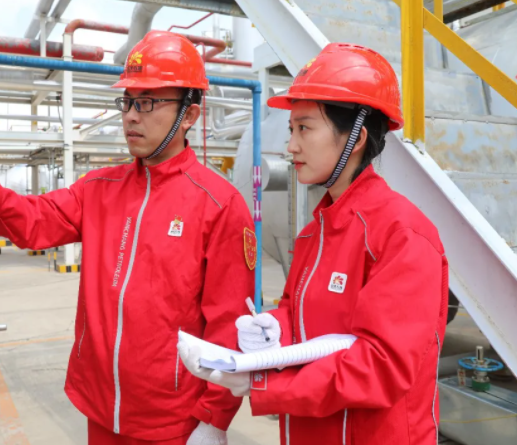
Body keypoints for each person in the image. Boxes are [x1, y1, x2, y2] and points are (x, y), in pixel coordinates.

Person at [0, 31, 255, 445]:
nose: (130, 116)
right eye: (127, 102)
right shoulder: (99, 188)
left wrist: (214, 418)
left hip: (171, 418)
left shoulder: (219, 205)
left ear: (189, 115)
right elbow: (36, 220)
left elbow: (229, 325)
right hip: (99, 404)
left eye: (147, 103)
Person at [179, 43, 449, 445]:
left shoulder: (401, 234)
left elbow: (381, 367)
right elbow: (302, 313)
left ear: (356, 136)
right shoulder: (315, 232)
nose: (291, 146)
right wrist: (276, 326)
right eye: (291, 130)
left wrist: (263, 383)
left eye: (304, 128)